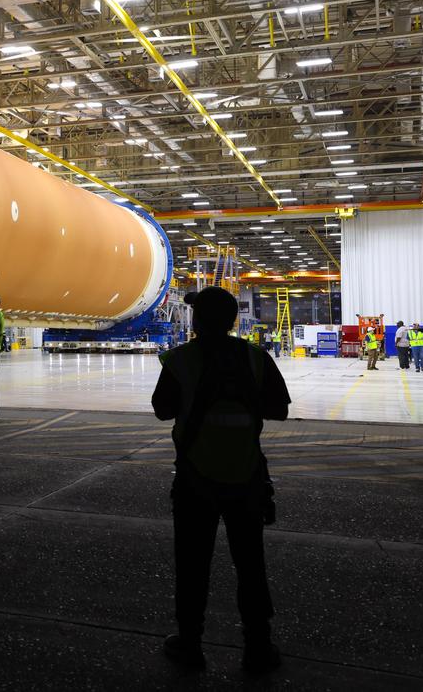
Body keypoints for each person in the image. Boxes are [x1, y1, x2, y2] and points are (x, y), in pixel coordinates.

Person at [152, 286, 289, 674]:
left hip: (195, 479)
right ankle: (258, 647)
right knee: (250, 563)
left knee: (192, 563)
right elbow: (279, 408)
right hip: (246, 478)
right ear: (234, 320)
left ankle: (190, 644)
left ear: (195, 321)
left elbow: (162, 410)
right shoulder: (254, 358)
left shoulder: (181, 360)